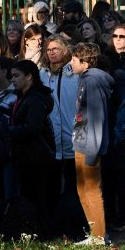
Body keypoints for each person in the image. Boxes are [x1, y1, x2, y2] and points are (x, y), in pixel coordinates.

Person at [70, 42, 113, 245]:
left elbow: (97, 117)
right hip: (81, 141)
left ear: (85, 63)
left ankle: (100, 235)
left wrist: (93, 150)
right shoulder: (84, 79)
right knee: (82, 189)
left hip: (89, 144)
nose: (70, 63)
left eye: (74, 59)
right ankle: (94, 233)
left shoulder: (92, 81)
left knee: (92, 189)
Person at [40, 35, 82, 238]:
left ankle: (76, 229)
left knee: (74, 188)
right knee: (52, 188)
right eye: (48, 49)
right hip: (52, 143)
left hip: (74, 140)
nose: (52, 52)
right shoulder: (42, 75)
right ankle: (55, 229)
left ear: (66, 50)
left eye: (56, 48)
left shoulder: (75, 73)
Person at [8, 59, 56, 237]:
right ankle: (34, 230)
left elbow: (32, 129)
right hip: (28, 155)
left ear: (29, 77)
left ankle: (42, 232)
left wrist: (8, 130)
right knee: (31, 194)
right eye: (11, 76)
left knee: (38, 195)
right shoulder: (24, 97)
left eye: (16, 76)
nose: (12, 80)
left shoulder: (34, 99)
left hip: (36, 156)